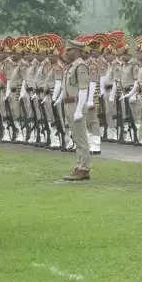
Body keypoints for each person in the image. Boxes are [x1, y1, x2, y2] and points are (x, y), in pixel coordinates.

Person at [62, 39, 91, 181]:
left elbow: (84, 89)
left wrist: (79, 109)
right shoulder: (71, 66)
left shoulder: (81, 66)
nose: (67, 52)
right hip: (69, 104)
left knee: (81, 137)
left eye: (70, 50)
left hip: (76, 104)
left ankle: (84, 168)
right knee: (76, 136)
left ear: (77, 51)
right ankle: (80, 165)